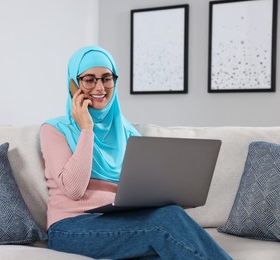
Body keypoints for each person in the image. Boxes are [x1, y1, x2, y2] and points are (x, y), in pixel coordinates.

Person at [40, 46, 231, 259]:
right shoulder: (55, 129)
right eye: (89, 79)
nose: (100, 87)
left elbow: (140, 188)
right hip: (70, 227)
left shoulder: (127, 131)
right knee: (164, 225)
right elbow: (74, 189)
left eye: (106, 78)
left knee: (170, 219)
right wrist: (86, 128)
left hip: (122, 220)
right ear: (73, 84)